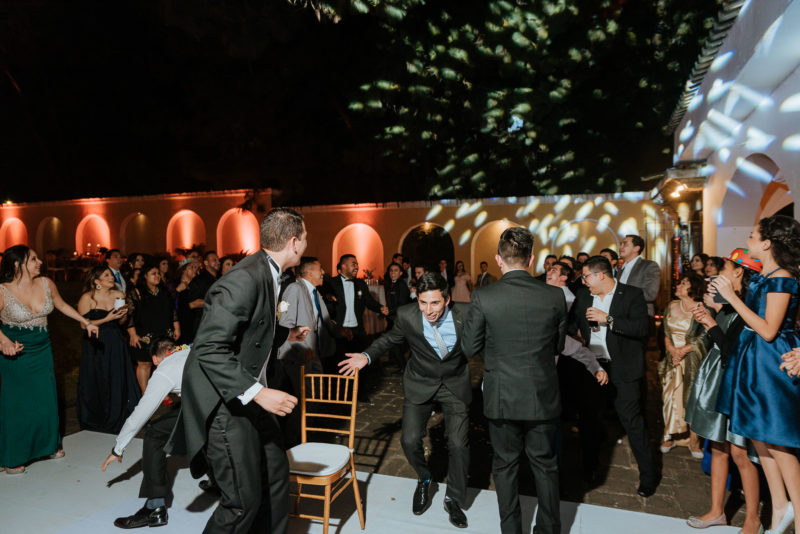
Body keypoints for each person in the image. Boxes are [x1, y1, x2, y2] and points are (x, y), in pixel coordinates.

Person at [169, 208, 310, 534]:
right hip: (226, 404)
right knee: (241, 502)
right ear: (293, 242)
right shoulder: (242, 279)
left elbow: (252, 328)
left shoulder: (272, 272)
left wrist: (287, 334)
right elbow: (208, 348)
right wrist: (258, 393)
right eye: (305, 238)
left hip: (250, 398)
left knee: (275, 476)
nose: (306, 243)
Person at [339, 273, 472, 529]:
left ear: (447, 299)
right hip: (420, 382)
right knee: (409, 440)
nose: (428, 310)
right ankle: (424, 477)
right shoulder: (407, 314)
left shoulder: (466, 313)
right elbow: (390, 339)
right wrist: (367, 356)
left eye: (435, 303)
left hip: (454, 384)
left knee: (458, 443)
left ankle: (453, 498)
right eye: (423, 303)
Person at [462, 227, 567, 534]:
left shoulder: (484, 296)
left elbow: (469, 347)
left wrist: (496, 354)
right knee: (545, 465)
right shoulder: (554, 295)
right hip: (541, 392)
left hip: (502, 394)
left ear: (499, 259)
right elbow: (558, 346)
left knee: (505, 466)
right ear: (531, 259)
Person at [715, 215, 800, 534]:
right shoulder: (765, 274)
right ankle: (779, 507)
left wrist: (732, 298)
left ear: (766, 243)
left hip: (771, 360)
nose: (747, 240)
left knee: (778, 443)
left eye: (752, 236)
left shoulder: (782, 278)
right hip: (752, 358)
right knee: (759, 437)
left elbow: (767, 330)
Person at [0, 245, 99, 474]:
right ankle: (13, 456)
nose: (40, 263)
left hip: (42, 349)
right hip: (15, 352)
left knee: (45, 398)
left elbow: (62, 305)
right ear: (17, 264)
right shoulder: (3, 290)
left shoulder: (46, 283)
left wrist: (85, 322)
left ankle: (48, 445)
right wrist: (4, 341)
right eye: (33, 259)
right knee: (18, 403)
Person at [684, 249, 762, 534]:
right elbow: (717, 341)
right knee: (717, 447)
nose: (718, 273)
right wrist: (708, 318)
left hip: (735, 383)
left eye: (725, 268)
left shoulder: (748, 307)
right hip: (717, 380)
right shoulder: (729, 305)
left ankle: (753, 518)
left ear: (739, 272)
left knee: (740, 453)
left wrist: (711, 323)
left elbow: (732, 352)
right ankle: (717, 511)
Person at [571, 255, 659, 497]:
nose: (583, 281)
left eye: (586, 276)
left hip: (623, 369)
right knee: (589, 421)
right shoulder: (583, 296)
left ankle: (648, 476)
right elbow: (572, 324)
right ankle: (589, 468)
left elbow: (642, 328)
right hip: (593, 368)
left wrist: (608, 319)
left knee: (633, 423)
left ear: (601, 275)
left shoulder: (631, 295)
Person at [102, 337, 191, 529]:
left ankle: (155, 508)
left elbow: (140, 415)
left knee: (154, 434)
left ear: (155, 359)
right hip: (228, 408)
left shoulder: (164, 371)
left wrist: (118, 448)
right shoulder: (191, 349)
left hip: (203, 415)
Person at [274, 256, 337, 443]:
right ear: (310, 273)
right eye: (320, 269)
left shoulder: (316, 293)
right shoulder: (294, 289)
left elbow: (324, 321)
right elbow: (284, 322)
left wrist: (341, 331)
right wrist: (302, 348)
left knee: (315, 396)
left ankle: (304, 435)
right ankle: (294, 440)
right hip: (297, 355)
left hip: (313, 353)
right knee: (306, 398)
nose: (323, 273)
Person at [76, 265, 140, 434]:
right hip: (95, 343)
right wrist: (106, 318)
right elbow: (83, 325)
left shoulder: (119, 295)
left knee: (116, 377)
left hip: (115, 341)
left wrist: (123, 315)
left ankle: (118, 415)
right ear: (96, 281)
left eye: (111, 275)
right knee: (97, 377)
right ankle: (97, 416)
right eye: (106, 275)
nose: (111, 278)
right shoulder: (87, 298)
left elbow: (121, 323)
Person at [657, 273, 708, 457]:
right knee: (670, 397)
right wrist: (672, 350)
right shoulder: (671, 305)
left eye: (683, 283)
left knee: (693, 399)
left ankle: (694, 441)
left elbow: (705, 337)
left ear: (693, 288)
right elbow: (665, 332)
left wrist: (683, 350)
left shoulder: (702, 308)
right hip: (672, 359)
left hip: (693, 360)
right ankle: (670, 435)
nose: (678, 286)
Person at [127, 264, 180, 393]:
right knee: (145, 363)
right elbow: (129, 315)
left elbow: (173, 311)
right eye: (153, 273)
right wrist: (132, 334)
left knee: (165, 362)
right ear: (145, 276)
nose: (157, 276)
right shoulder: (137, 293)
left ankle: (162, 392)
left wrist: (177, 327)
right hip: (144, 333)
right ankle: (145, 394)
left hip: (163, 332)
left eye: (158, 273)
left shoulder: (164, 291)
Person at [329, 254, 388, 356]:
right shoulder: (331, 283)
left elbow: (369, 301)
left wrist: (380, 308)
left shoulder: (361, 284)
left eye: (357, 264)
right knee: (339, 360)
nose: (357, 267)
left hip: (357, 330)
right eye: (353, 264)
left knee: (360, 359)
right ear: (343, 266)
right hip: (339, 331)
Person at [617, 234, 661, 318]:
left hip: (640, 315)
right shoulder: (620, 269)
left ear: (636, 248)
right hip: (621, 316)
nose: (620, 247)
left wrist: (621, 294)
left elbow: (650, 294)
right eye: (621, 244)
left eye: (625, 244)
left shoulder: (649, 266)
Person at [383, 261, 412, 371]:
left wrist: (389, 311)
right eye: (391, 270)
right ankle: (394, 361)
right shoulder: (391, 284)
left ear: (400, 273)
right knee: (391, 342)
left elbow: (402, 304)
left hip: (398, 319)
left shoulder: (401, 285)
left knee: (395, 343)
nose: (392, 273)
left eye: (395, 270)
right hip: (392, 318)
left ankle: (403, 366)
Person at [174, 261, 203, 344]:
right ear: (184, 271)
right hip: (182, 324)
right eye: (191, 268)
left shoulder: (195, 284)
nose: (195, 270)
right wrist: (177, 290)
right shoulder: (176, 285)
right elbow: (174, 305)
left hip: (194, 323)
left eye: (195, 267)